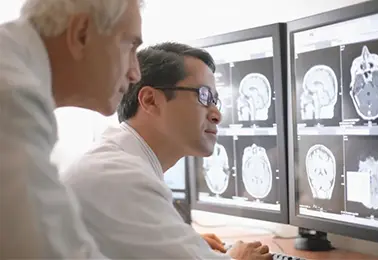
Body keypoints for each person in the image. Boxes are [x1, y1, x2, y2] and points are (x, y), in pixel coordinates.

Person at [62, 42, 273, 260]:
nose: (217, 114)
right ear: (150, 101)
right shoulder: (120, 176)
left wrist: (177, 242)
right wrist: (239, 258)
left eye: (215, 100)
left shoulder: (118, 161)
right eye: (203, 96)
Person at [0, 0, 142, 259]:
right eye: (130, 46)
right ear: (81, 34)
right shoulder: (12, 94)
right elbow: (47, 250)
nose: (136, 73)